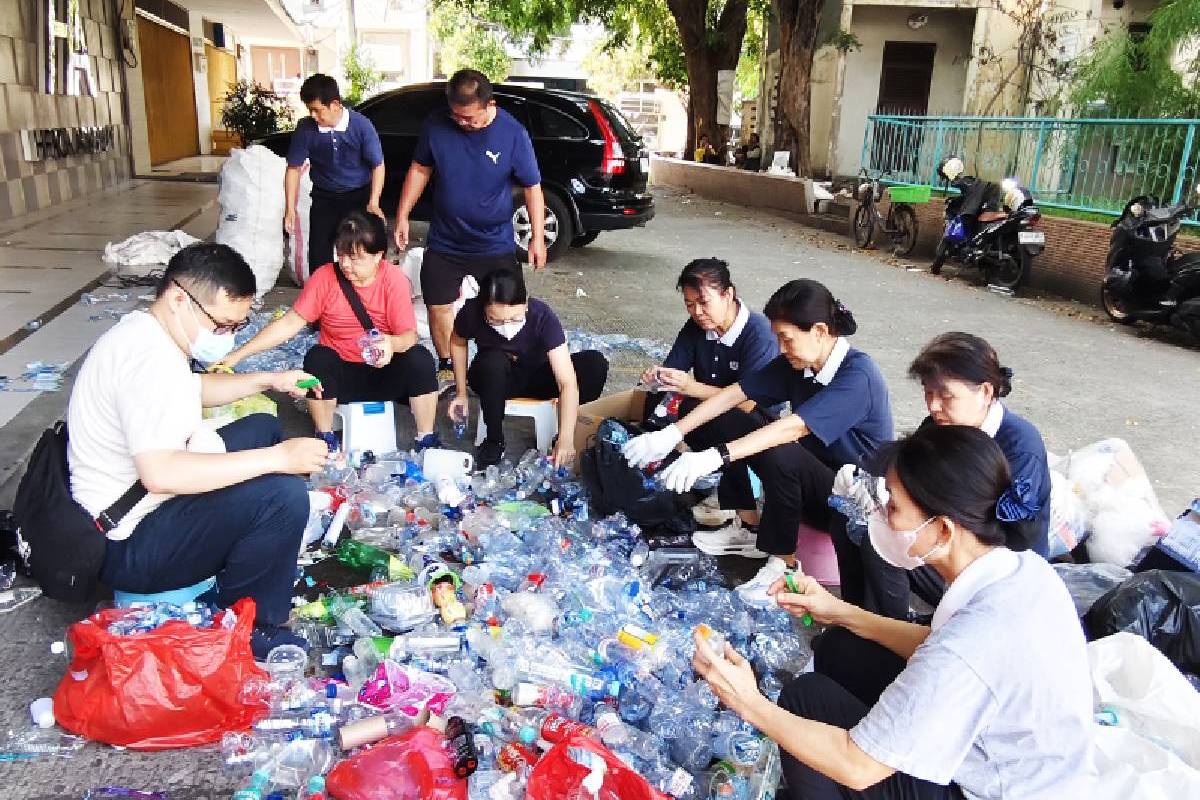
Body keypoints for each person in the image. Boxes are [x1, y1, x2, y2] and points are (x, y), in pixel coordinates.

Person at [691, 424, 1099, 800]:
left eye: (894, 509)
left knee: (804, 697)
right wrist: (838, 611)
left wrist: (747, 700)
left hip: (987, 788)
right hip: (1018, 754)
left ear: (942, 529)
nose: (882, 518)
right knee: (840, 647)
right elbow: (936, 644)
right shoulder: (1020, 569)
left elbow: (857, 765)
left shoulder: (974, 641)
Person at [67, 244, 329, 658]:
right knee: (284, 497)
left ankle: (244, 562)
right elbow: (162, 473)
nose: (224, 338)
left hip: (138, 505)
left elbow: (195, 390)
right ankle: (250, 624)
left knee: (262, 426)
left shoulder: (150, 332)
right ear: (177, 298)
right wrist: (279, 460)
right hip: (130, 542)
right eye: (221, 325)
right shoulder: (146, 360)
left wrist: (269, 379)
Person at [623, 279, 894, 605]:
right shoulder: (799, 365)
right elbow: (734, 395)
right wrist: (672, 434)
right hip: (807, 483)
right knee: (707, 412)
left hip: (851, 504)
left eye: (786, 338)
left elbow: (793, 429)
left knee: (779, 447)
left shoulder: (857, 375)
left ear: (820, 331)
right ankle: (749, 527)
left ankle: (785, 564)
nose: (780, 347)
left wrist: (714, 457)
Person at [833, 332, 1053, 620]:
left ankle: (888, 634)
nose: (934, 406)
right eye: (928, 393)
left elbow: (1011, 537)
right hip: (945, 539)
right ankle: (856, 616)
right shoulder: (940, 427)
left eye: (946, 395)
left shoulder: (1020, 448)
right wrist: (870, 483)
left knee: (882, 544)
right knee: (847, 515)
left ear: (986, 392)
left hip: (993, 575)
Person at [222, 211, 439, 451]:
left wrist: (391, 344)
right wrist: (237, 355)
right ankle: (325, 436)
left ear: (378, 256)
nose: (345, 264)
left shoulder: (394, 281)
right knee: (318, 357)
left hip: (383, 373)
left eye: (355, 258)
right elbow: (289, 323)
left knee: (420, 358)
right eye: (342, 254)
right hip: (339, 379)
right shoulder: (325, 278)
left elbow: (409, 336)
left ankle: (425, 438)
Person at [393, 69, 547, 393]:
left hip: (494, 243)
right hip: (446, 240)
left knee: (508, 308)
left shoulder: (512, 134)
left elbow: (533, 186)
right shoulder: (436, 125)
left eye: (470, 118)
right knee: (438, 306)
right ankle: (448, 366)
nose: (463, 123)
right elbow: (420, 169)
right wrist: (403, 215)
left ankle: (507, 369)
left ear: (489, 104)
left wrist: (536, 237)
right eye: (457, 116)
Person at [639, 258, 778, 549]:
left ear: (728, 294)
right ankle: (655, 475)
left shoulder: (758, 332)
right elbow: (674, 367)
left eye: (703, 302)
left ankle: (748, 524)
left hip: (759, 421)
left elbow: (748, 404)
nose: (697, 312)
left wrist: (690, 386)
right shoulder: (696, 326)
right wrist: (658, 377)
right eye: (689, 304)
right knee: (658, 399)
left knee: (714, 418)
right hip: (712, 410)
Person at [448, 268, 608, 469]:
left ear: (526, 304)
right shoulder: (471, 312)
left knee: (594, 363)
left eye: (514, 319)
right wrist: (461, 392)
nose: (506, 327)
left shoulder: (542, 316)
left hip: (535, 374)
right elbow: (457, 342)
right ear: (484, 309)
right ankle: (494, 440)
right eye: (495, 320)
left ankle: (571, 433)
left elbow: (566, 382)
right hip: (493, 379)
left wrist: (566, 438)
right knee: (493, 361)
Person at [285, 73, 386, 273]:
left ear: (335, 104)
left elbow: (378, 165)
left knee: (359, 250)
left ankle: (359, 295)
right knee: (318, 255)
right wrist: (290, 209)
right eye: (309, 110)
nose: (313, 116)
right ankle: (322, 299)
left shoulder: (361, 126)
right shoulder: (306, 129)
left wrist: (373, 202)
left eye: (317, 110)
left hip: (358, 196)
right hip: (324, 198)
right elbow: (293, 169)